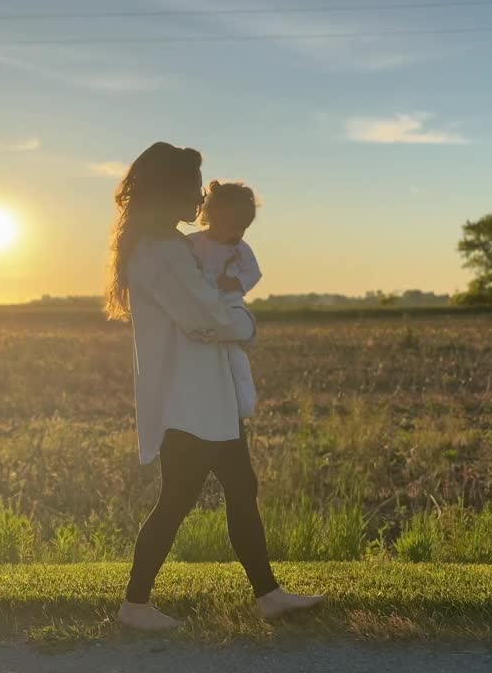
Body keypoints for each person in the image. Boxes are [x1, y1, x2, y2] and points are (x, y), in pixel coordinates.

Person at [104, 142, 323, 631]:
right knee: (179, 500)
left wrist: (224, 318)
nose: (199, 197)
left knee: (240, 488)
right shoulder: (160, 252)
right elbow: (205, 315)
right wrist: (245, 323)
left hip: (208, 398)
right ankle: (135, 606)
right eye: (192, 186)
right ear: (169, 188)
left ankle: (267, 594)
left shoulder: (169, 247)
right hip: (190, 403)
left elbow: (207, 315)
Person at [185, 180, 261, 418]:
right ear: (214, 218)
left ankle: (241, 407)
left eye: (243, 230)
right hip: (201, 306)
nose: (238, 235)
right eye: (234, 228)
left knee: (235, 362)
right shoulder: (193, 242)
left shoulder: (241, 249)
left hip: (230, 305)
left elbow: (254, 272)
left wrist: (236, 283)